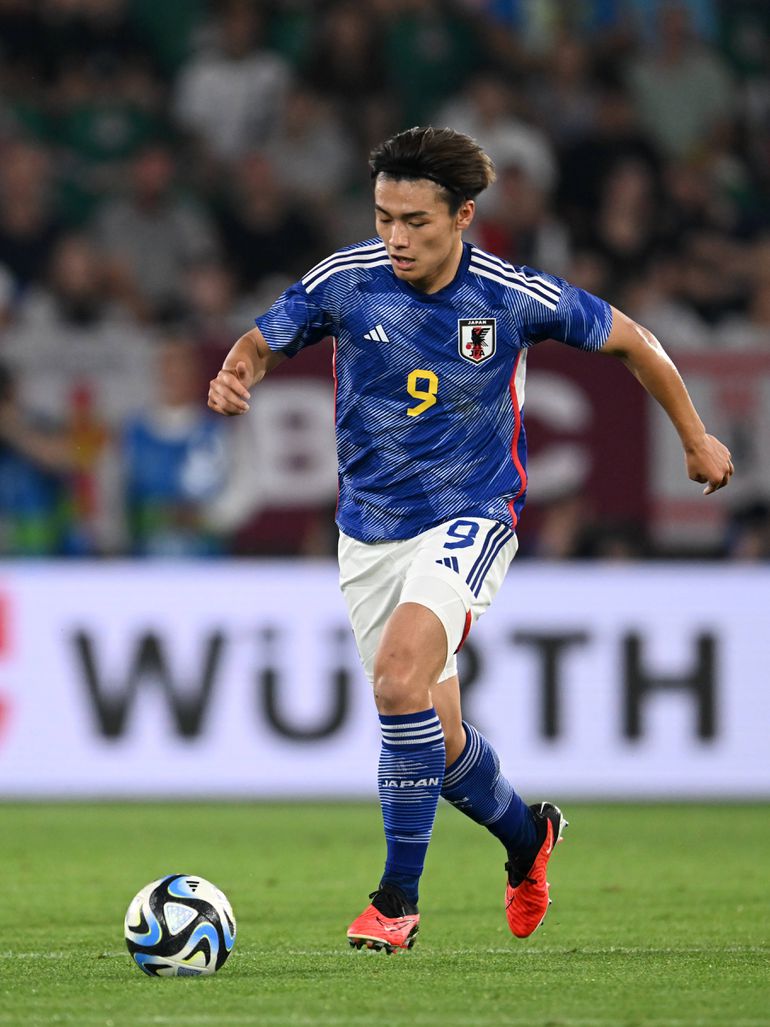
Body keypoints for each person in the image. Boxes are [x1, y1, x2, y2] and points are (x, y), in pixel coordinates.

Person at [207, 126, 733, 952]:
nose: (396, 237)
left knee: (397, 680)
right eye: (384, 217)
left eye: (416, 221)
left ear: (462, 217)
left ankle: (395, 900)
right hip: (369, 534)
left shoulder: (510, 294)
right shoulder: (347, 281)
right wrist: (239, 371)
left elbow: (636, 340)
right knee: (440, 741)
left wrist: (695, 438)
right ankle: (528, 836)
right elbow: (262, 339)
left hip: (472, 515)